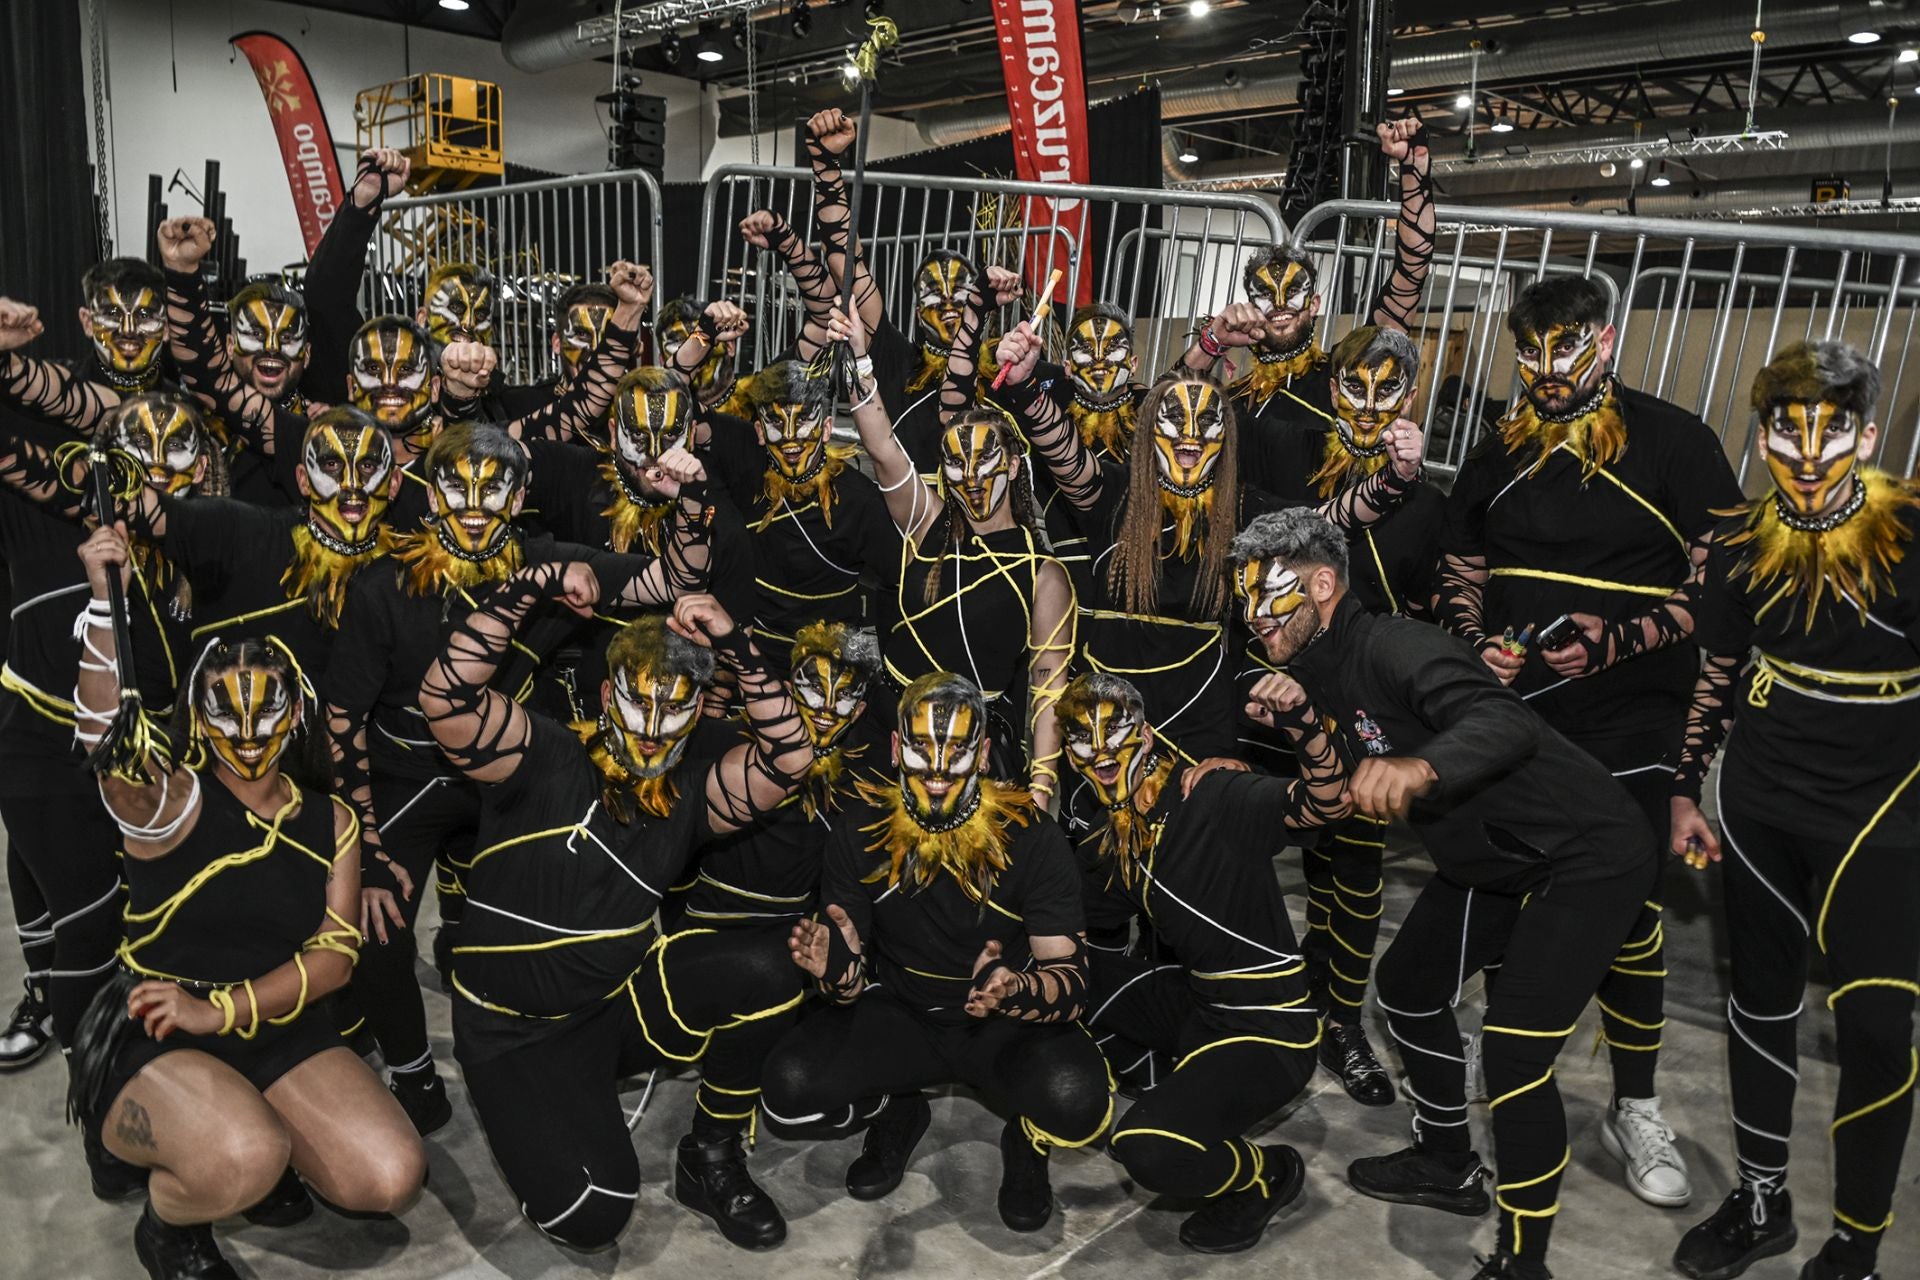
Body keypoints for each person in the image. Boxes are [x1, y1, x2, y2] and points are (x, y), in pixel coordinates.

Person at [1231, 506, 1659, 1280]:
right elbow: (1337, 780)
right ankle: (1448, 1163)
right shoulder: (1315, 667)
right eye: (1245, 599)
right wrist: (1298, 728)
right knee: (1408, 989)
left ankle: (1522, 1264)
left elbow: (1502, 721)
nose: (1252, 616)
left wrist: (1421, 769)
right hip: (1495, 859)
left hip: (1587, 856)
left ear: (1323, 584)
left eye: (1267, 596)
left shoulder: (1395, 643)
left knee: (1516, 1055)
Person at [1434, 275, 1745, 1207]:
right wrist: (1465, 641)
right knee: (1502, 899)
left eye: (1565, 350)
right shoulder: (1502, 445)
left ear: (1604, 343)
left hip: (1632, 722)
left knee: (1631, 918)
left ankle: (1636, 1103)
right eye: (1528, 354)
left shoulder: (1677, 441)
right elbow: (1461, 558)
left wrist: (1620, 639)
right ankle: (1508, 1088)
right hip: (1515, 722)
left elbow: (1719, 588)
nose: (1545, 371)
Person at [323, 421, 712, 1134]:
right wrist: (368, 850)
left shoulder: (548, 557)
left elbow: (672, 580)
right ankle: (409, 1066)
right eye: (456, 486)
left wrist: (685, 502)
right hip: (405, 776)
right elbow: (341, 717)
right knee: (376, 927)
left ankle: (558, 1039)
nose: (474, 504)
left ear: (522, 493)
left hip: (505, 779)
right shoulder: (382, 585)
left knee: (563, 898)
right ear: (428, 493)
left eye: (492, 485)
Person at [68, 522, 423, 1280]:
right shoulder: (173, 803)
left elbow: (333, 959)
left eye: (268, 710)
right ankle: (169, 1222)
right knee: (245, 1158)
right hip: (161, 1023)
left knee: (389, 1177)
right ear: (198, 716)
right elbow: (107, 742)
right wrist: (105, 607)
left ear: (296, 714)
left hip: (269, 1017)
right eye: (226, 710)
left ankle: (247, 1129)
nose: (250, 730)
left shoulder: (332, 818)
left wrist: (224, 1012)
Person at [421, 578, 813, 1250]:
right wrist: (529, 587)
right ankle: (562, 1103)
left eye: (675, 712)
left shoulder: (692, 789)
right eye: (637, 703)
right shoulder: (541, 755)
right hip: (509, 1033)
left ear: (696, 718)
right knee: (593, 1213)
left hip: (611, 1008)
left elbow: (791, 757)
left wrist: (736, 644)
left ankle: (710, 1154)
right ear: (607, 696)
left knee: (773, 967)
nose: (653, 730)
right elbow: (444, 699)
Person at [1665, 343, 1920, 1280]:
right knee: (1759, 1005)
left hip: (1883, 812)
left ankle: (1858, 1239)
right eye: (1786, 430)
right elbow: (1715, 677)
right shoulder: (1739, 540)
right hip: (1762, 801)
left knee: (1880, 1032)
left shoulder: (1912, 530)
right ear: (1761, 431)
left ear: (1864, 429)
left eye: (1834, 429)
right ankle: (1761, 1201)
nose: (1808, 455)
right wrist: (1683, 791)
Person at [760, 672, 1111, 1234]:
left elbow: (1071, 985)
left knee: (1078, 1102)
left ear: (985, 752)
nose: (940, 769)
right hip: (904, 1015)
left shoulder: (1032, 835)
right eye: (922, 748)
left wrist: (1014, 990)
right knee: (788, 1094)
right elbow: (848, 978)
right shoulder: (859, 827)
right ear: (897, 748)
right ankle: (899, 1106)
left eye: (957, 750)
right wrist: (835, 971)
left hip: (1001, 1025)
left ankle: (1027, 1139)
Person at [996, 325, 1422, 768]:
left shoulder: (1243, 509)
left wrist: (1396, 477)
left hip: (1197, 725)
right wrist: (1024, 383)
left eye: (1206, 422)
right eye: (1175, 419)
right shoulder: (1116, 495)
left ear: (1227, 436)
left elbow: (1329, 522)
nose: (1190, 435)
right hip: (1105, 723)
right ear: (1149, 431)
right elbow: (1063, 454)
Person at [1057, 671, 1348, 1252]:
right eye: (1083, 744)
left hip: (1269, 1029)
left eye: (1115, 737)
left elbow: (1328, 802)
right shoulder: (1113, 833)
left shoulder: (1211, 796)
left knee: (1146, 1147)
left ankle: (1266, 1175)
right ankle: (1162, 1080)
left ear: (1144, 737)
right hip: (1198, 1002)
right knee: (1059, 974)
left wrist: (1306, 726)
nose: (1101, 757)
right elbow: (1066, 913)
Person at [1245, 323, 1448, 1107]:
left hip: (1370, 708)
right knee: (1256, 843)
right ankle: (1255, 995)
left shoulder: (1429, 503)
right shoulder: (1287, 455)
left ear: (1411, 393)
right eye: (1354, 388)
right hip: (1277, 694)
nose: (1368, 405)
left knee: (1354, 869)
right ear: (1333, 392)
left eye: (1387, 388)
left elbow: (1443, 599)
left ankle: (1338, 1016)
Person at [834, 302, 1075, 803]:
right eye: (955, 462)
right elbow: (881, 447)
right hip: (891, 741)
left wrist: (1043, 788)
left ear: (1011, 465)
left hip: (974, 757)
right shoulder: (927, 522)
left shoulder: (1043, 574)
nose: (970, 474)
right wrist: (859, 358)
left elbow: (1048, 690)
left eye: (984, 458)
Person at [1175, 119, 1434, 496]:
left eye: (1293, 292)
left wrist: (1413, 168)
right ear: (1251, 305)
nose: (1280, 306)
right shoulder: (1235, 403)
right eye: (1266, 294)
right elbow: (1161, 410)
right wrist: (1212, 341)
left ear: (1314, 303)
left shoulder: (1350, 378)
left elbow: (1412, 269)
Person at [663, 620, 886, 932]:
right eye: (817, 690)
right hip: (708, 919)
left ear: (859, 710)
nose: (828, 708)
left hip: (793, 935)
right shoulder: (728, 741)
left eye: (845, 694)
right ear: (790, 691)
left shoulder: (861, 781)